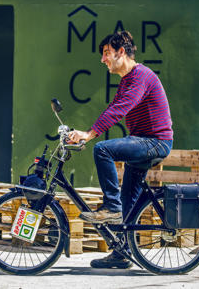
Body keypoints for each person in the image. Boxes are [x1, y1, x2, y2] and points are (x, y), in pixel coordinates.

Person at [68, 31, 173, 269]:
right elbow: (115, 106)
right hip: (144, 140)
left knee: (103, 149)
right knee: (128, 200)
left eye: (106, 53)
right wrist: (85, 134)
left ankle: (111, 207)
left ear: (121, 52)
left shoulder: (140, 76)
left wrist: (90, 134)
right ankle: (122, 253)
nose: (103, 59)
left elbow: (119, 110)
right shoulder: (128, 79)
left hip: (155, 142)